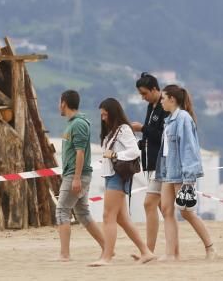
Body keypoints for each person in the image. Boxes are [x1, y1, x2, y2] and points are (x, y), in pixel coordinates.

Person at [90, 98, 156, 266]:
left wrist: (115, 155)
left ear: (113, 113)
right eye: (102, 115)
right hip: (112, 175)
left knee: (108, 215)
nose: (103, 118)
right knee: (122, 218)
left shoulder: (123, 130)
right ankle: (146, 252)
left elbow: (134, 151)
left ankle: (107, 256)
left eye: (105, 114)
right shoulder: (112, 132)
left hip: (117, 176)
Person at [157, 84, 217, 261]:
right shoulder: (169, 120)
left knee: (186, 212)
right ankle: (170, 254)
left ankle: (210, 247)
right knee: (166, 210)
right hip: (168, 170)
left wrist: (188, 178)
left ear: (172, 99)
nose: (161, 102)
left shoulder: (183, 119)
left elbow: (189, 148)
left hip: (181, 173)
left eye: (163, 98)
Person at [56, 90, 104, 261]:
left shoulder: (78, 124)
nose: (58, 106)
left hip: (76, 175)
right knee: (82, 213)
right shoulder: (72, 124)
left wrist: (76, 177)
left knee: (62, 211)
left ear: (64, 103)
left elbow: (80, 152)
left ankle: (64, 254)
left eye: (59, 102)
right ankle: (107, 248)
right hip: (76, 175)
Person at [130, 72, 166, 252]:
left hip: (161, 163)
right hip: (149, 162)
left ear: (154, 89)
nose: (143, 98)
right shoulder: (151, 106)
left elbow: (162, 137)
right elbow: (149, 137)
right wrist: (136, 143)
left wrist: (142, 128)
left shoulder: (165, 106)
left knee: (149, 204)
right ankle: (171, 246)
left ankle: (148, 250)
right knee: (164, 208)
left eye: (144, 93)